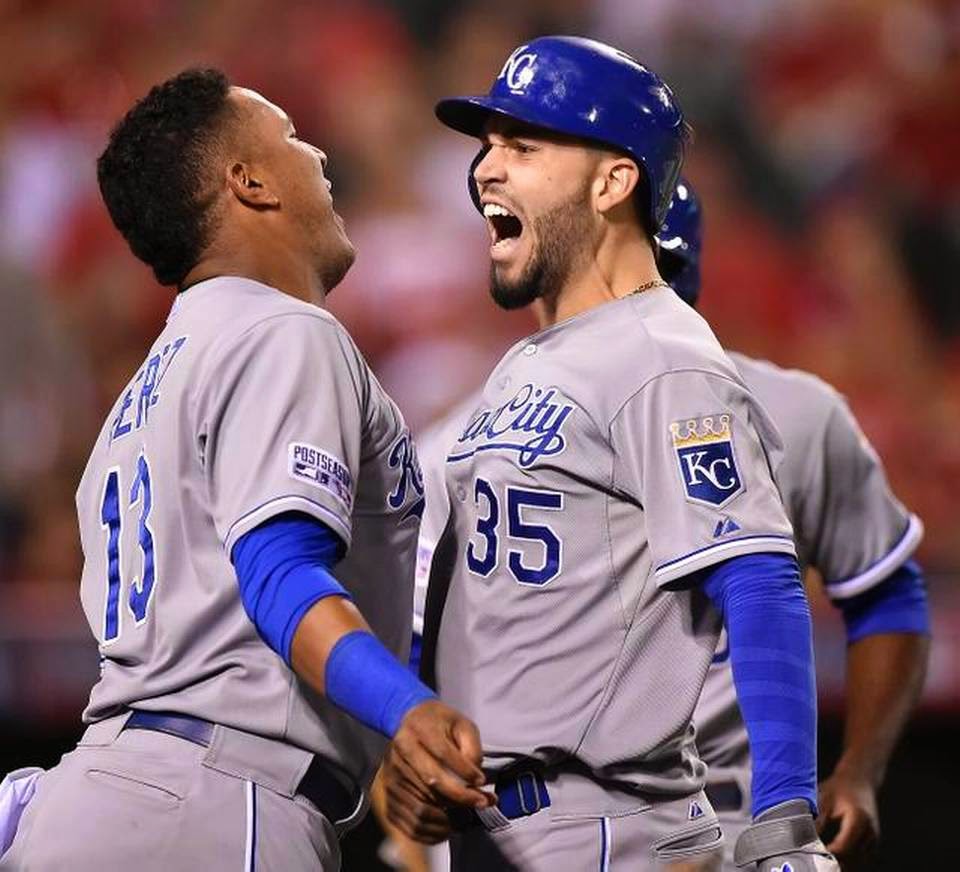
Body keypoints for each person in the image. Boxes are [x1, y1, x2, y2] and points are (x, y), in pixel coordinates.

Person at [0, 68, 492, 872]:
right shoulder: (282, 331)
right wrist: (406, 708)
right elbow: (278, 573)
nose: (318, 154)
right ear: (249, 182)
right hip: (214, 804)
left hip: (97, 799)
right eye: (291, 136)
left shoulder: (141, 392)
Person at [383, 36, 838, 871]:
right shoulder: (531, 361)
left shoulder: (663, 355)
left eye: (523, 146)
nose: (485, 169)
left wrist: (784, 819)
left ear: (613, 182)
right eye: (488, 146)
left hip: (603, 826)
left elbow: (757, 577)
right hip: (500, 825)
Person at [657, 180, 931, 870]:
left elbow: (886, 593)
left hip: (742, 820)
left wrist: (860, 768)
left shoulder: (794, 412)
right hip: (555, 829)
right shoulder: (481, 437)